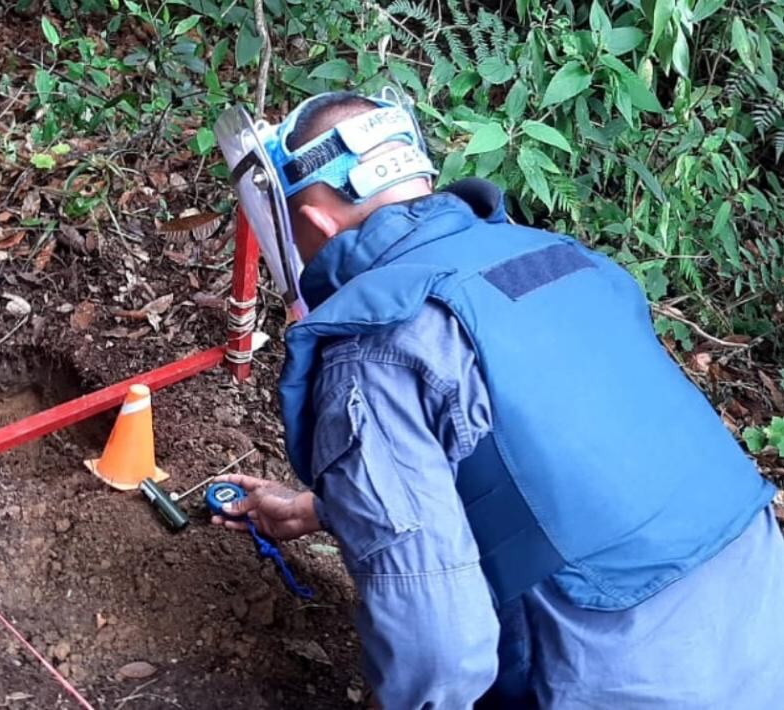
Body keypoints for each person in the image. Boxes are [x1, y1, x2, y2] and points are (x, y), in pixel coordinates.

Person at [209, 88, 784, 708]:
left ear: (316, 223)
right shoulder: (565, 261)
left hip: (617, 676)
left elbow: (439, 656)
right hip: (760, 632)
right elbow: (550, 466)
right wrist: (325, 509)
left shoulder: (377, 342)